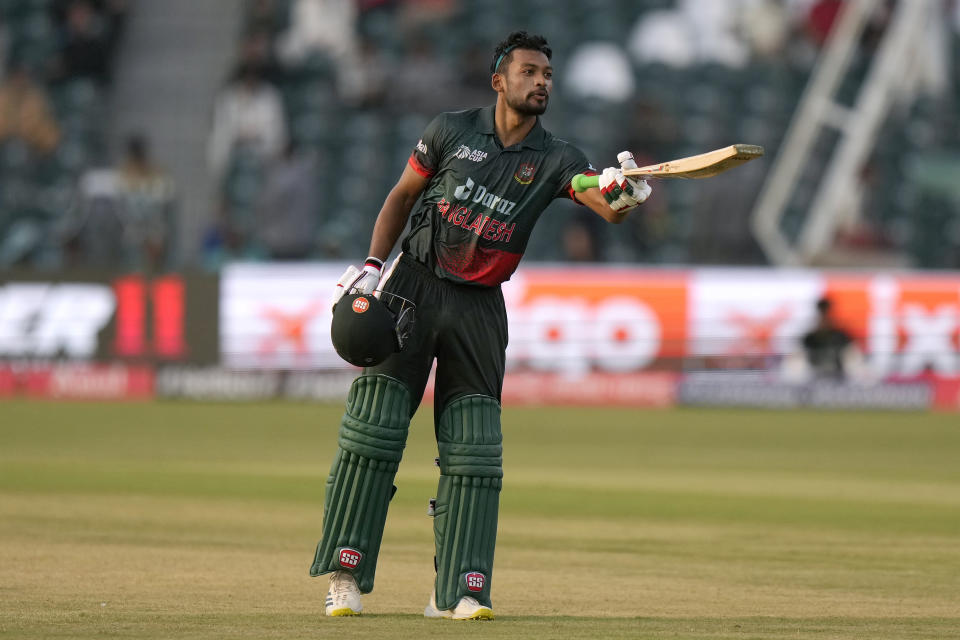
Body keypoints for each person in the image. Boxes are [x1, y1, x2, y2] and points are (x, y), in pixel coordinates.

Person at [309, 31, 652, 620]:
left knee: (473, 451)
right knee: (373, 435)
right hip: (411, 288)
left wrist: (626, 193)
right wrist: (372, 268)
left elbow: (600, 200)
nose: (541, 81)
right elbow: (401, 195)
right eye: (528, 71)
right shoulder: (450, 130)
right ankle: (345, 578)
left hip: (480, 308)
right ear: (500, 80)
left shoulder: (557, 157)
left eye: (547, 73)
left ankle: (461, 592)